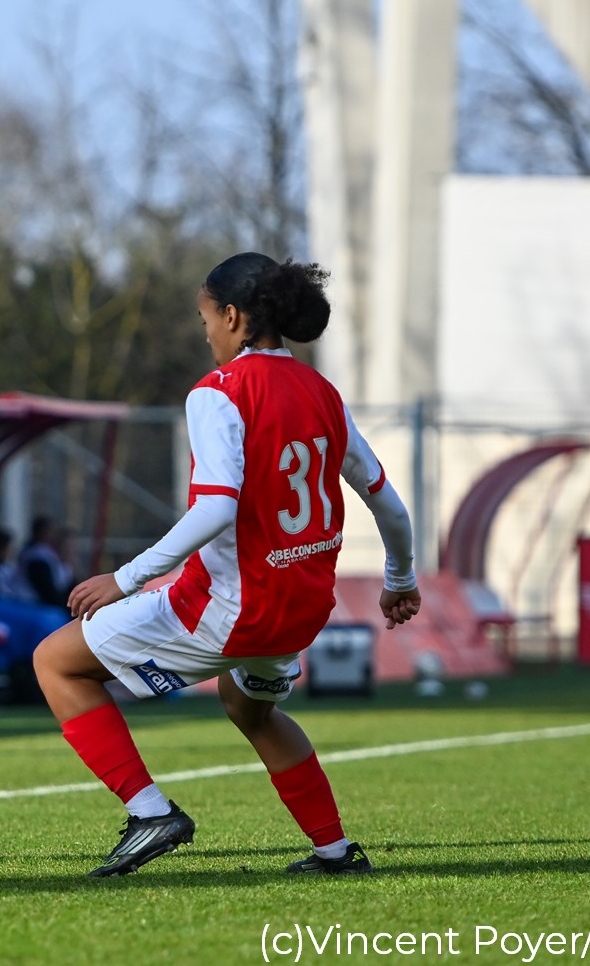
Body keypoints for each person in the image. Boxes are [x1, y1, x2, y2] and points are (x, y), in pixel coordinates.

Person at [32, 253, 421, 878]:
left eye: (206, 318)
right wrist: (400, 580)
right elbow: (390, 507)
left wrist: (124, 579)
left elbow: (216, 508)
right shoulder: (323, 393)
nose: (207, 332)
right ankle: (334, 851)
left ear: (234, 317)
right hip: (301, 610)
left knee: (55, 662)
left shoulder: (219, 392)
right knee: (250, 707)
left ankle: (150, 812)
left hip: (231, 608)